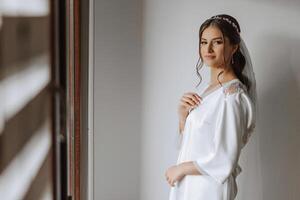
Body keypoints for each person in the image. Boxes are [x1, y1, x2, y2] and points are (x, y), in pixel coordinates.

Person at [165, 14, 257, 200]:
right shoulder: (208, 91)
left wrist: (181, 169)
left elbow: (225, 158)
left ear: (234, 47)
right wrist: (183, 117)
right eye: (203, 42)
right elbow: (194, 145)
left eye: (217, 42)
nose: (207, 49)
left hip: (208, 189)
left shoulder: (231, 96)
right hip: (190, 185)